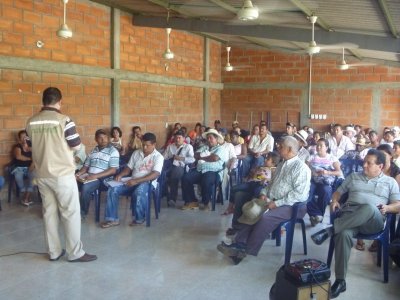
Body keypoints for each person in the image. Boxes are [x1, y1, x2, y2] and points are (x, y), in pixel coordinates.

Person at [311, 149, 400, 298]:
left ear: (380, 166)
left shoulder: (390, 182)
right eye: (364, 162)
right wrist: (335, 201)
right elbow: (338, 192)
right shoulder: (353, 177)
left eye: (369, 163)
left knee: (369, 208)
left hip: (374, 220)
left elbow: (398, 205)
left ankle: (330, 230)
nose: (364, 165)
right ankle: (340, 281)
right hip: (350, 216)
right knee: (343, 234)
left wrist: (388, 208)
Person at [26, 87, 96, 262]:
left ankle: (54, 252)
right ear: (59, 101)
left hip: (42, 175)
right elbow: (76, 145)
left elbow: (29, 147)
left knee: (49, 213)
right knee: (70, 213)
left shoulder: (31, 122)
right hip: (62, 175)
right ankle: (75, 253)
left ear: (43, 101)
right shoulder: (64, 120)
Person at [217, 136, 311, 264]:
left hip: (293, 206)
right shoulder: (281, 164)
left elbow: (299, 195)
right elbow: (271, 184)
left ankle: (245, 250)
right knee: (252, 210)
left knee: (265, 217)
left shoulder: (301, 168)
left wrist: (276, 203)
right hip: (273, 200)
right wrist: (263, 193)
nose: (278, 147)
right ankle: (238, 244)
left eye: (281, 146)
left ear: (289, 149)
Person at [102, 132, 164, 228]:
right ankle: (112, 219)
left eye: (147, 145)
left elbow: (155, 174)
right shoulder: (136, 153)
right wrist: (121, 175)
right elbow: (128, 168)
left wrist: (136, 181)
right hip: (132, 180)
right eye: (143, 145)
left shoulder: (158, 157)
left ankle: (139, 219)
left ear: (154, 145)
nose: (144, 148)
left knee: (139, 192)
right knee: (112, 189)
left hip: (147, 182)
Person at [75, 129, 119, 218]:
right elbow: (85, 167)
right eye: (100, 138)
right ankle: (71, 210)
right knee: (70, 183)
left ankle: (82, 213)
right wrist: (78, 174)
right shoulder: (93, 151)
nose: (103, 140)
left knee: (86, 187)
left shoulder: (113, 151)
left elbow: (113, 170)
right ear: (96, 139)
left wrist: (95, 176)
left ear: (109, 138)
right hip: (89, 176)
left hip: (103, 179)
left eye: (105, 137)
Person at [181, 129, 228, 211]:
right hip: (200, 170)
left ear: (216, 139)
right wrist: (207, 156)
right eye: (208, 138)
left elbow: (214, 158)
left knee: (206, 179)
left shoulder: (221, 149)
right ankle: (192, 201)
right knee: (186, 178)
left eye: (211, 138)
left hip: (214, 172)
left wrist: (202, 156)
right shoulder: (204, 147)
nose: (209, 140)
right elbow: (195, 155)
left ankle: (206, 202)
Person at [306, 138, 342, 226]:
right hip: (313, 181)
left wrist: (327, 172)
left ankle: (317, 217)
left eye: (321, 146)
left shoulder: (332, 158)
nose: (318, 147)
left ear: (326, 147)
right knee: (305, 193)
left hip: (326, 182)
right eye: (317, 145)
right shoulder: (311, 157)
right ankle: (317, 215)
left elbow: (339, 172)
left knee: (326, 192)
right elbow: (304, 169)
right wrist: (312, 173)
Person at [163, 130, 195, 207]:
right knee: (161, 174)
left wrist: (181, 158)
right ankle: (163, 193)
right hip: (170, 167)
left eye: (179, 138)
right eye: (176, 138)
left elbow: (192, 159)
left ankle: (172, 198)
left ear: (184, 138)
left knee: (175, 173)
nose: (177, 139)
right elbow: (164, 158)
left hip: (182, 167)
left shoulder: (188, 147)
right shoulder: (170, 146)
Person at [11, 130, 35, 205]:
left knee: (34, 177)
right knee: (18, 176)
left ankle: (26, 197)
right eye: (22, 137)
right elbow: (18, 156)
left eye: (26, 137)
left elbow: (37, 157)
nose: (24, 138)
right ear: (19, 139)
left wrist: (33, 163)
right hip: (19, 167)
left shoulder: (33, 146)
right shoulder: (17, 146)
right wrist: (30, 159)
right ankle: (26, 194)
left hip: (30, 167)